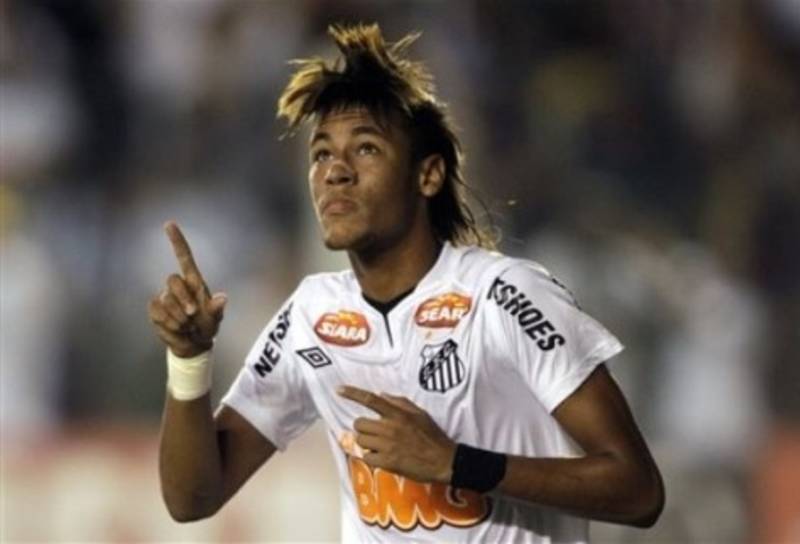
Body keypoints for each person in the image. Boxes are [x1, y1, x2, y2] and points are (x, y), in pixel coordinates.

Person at [148, 23, 664, 543]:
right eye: (321, 154)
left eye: (366, 149)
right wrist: (189, 361)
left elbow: (639, 491)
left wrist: (457, 464)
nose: (335, 172)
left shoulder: (505, 295)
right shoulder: (311, 314)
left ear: (428, 175)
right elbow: (192, 499)